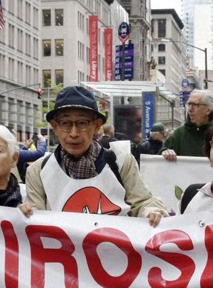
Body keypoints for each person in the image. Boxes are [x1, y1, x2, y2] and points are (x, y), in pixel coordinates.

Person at [24, 86, 167, 225]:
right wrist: (25, 215)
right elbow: (36, 224)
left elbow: (142, 202)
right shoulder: (38, 172)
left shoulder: (121, 162)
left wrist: (151, 212)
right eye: (65, 123)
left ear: (97, 126)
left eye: (82, 123)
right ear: (55, 127)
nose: (73, 133)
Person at [162, 90, 213, 159]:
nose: (190, 109)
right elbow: (160, 159)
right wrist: (165, 152)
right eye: (189, 104)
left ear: (208, 110)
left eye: (195, 105)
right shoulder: (179, 134)